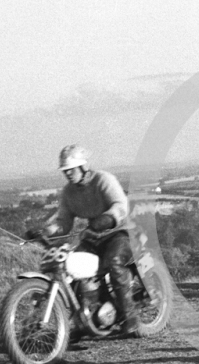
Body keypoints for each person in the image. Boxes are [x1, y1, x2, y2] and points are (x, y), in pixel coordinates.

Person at [36, 144, 140, 337]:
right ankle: (85, 319)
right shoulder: (68, 192)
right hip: (93, 237)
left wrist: (108, 218)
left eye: (71, 169)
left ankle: (130, 316)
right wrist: (44, 231)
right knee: (73, 268)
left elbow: (121, 205)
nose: (68, 173)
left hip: (121, 232)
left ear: (83, 166)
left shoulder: (103, 180)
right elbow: (63, 222)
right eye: (65, 170)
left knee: (114, 263)